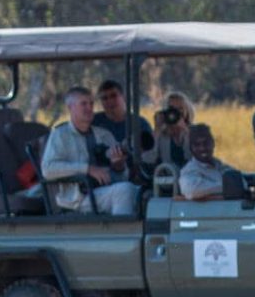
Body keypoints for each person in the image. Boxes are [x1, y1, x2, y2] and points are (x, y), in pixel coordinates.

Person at [40, 86, 137, 216]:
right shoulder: (60, 135)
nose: (89, 108)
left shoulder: (104, 135)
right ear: (70, 107)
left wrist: (118, 166)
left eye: (91, 104)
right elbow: (47, 169)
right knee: (125, 191)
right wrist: (87, 169)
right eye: (83, 104)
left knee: (142, 193)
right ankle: (121, 229)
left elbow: (122, 178)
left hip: (104, 192)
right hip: (79, 198)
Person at [92, 79, 155, 156]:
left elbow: (150, 153)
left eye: (113, 96)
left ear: (124, 97)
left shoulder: (140, 123)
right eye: (105, 98)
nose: (110, 101)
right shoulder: (93, 122)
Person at [141, 90, 195, 171]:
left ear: (187, 112)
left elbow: (197, 158)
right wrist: (157, 130)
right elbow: (148, 159)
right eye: (172, 109)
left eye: (180, 109)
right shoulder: (162, 134)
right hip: (168, 175)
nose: (175, 112)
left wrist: (186, 131)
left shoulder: (195, 131)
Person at [179, 124, 235, 199]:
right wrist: (227, 187)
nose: (202, 148)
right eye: (197, 145)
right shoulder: (188, 171)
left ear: (213, 143)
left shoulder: (223, 167)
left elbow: (242, 184)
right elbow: (192, 191)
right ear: (191, 148)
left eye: (206, 143)